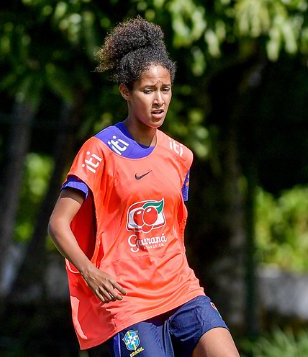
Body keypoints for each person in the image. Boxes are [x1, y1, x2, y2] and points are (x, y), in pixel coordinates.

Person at [47, 16, 239, 357]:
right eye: (148, 90)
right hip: (127, 303)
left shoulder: (181, 155)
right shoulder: (99, 151)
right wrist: (89, 272)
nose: (159, 100)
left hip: (181, 292)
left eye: (165, 89)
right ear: (126, 91)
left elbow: (172, 231)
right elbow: (58, 224)